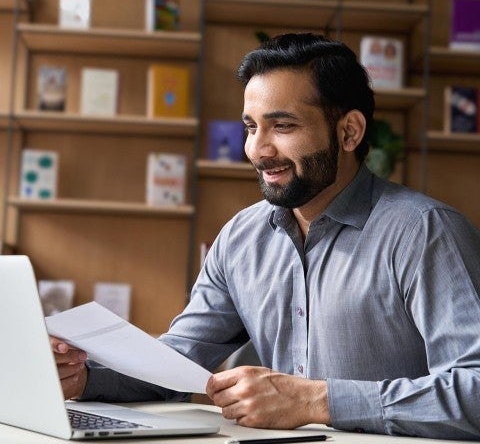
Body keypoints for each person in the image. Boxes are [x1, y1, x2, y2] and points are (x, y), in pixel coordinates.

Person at [51, 33, 480, 440]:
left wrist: (317, 400)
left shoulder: (425, 233)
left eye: (283, 126)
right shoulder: (241, 238)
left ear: (349, 131)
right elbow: (178, 362)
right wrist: (83, 377)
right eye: (251, 127)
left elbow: (475, 389)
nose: (258, 150)